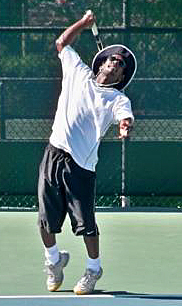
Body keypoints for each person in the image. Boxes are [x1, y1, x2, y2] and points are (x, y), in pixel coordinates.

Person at [38, 11, 137, 295]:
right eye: (112, 59)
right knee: (45, 220)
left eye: (120, 65)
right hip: (53, 153)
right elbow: (61, 43)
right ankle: (54, 261)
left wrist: (125, 127)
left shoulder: (118, 98)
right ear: (102, 62)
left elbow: (124, 116)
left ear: (120, 76)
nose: (115, 64)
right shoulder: (77, 70)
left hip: (81, 167)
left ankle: (94, 269)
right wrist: (83, 23)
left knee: (86, 225)